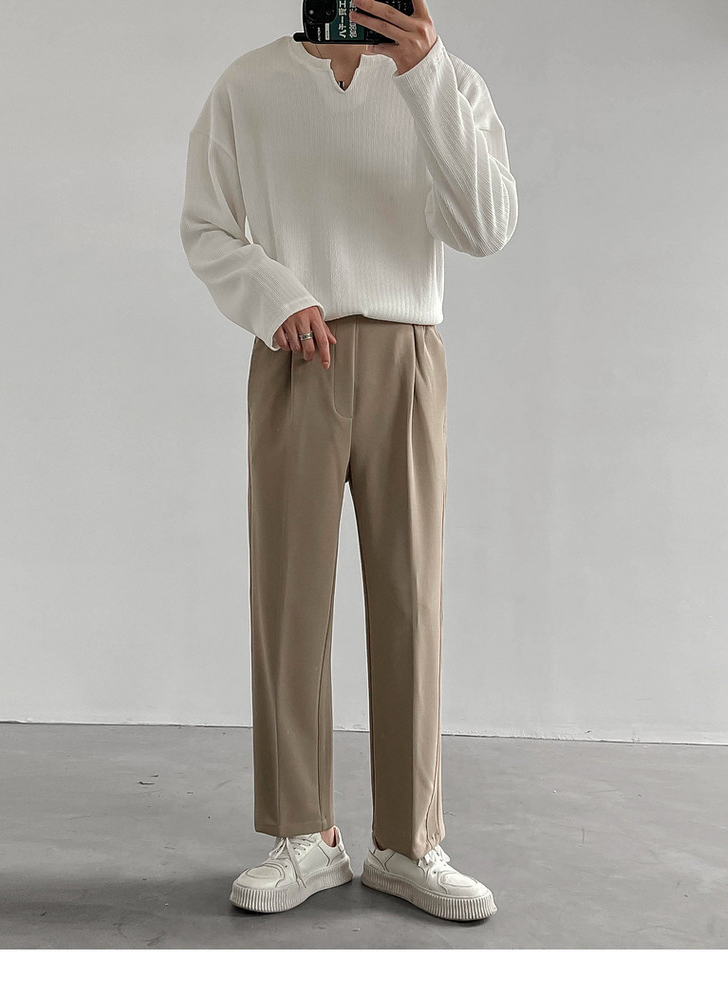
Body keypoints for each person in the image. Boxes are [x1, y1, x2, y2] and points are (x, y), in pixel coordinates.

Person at [179, 0, 518, 921]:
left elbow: (487, 225)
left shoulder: (446, 83)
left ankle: (410, 842)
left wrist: (426, 76)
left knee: (411, 596)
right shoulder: (250, 84)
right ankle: (304, 834)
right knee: (289, 596)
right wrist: (275, 294)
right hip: (297, 350)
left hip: (407, 351)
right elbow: (208, 226)